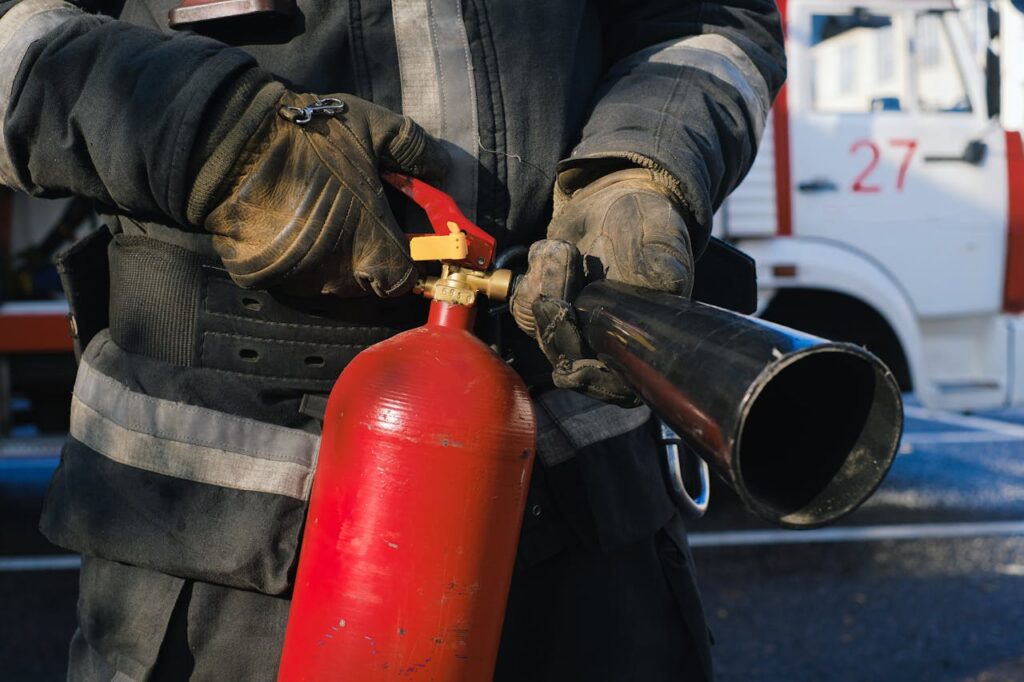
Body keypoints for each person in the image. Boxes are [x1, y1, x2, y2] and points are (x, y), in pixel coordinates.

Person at [0, 0, 785, 679]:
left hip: (586, 543)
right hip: (223, 566)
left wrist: (643, 169)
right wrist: (216, 139)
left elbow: (706, 20)